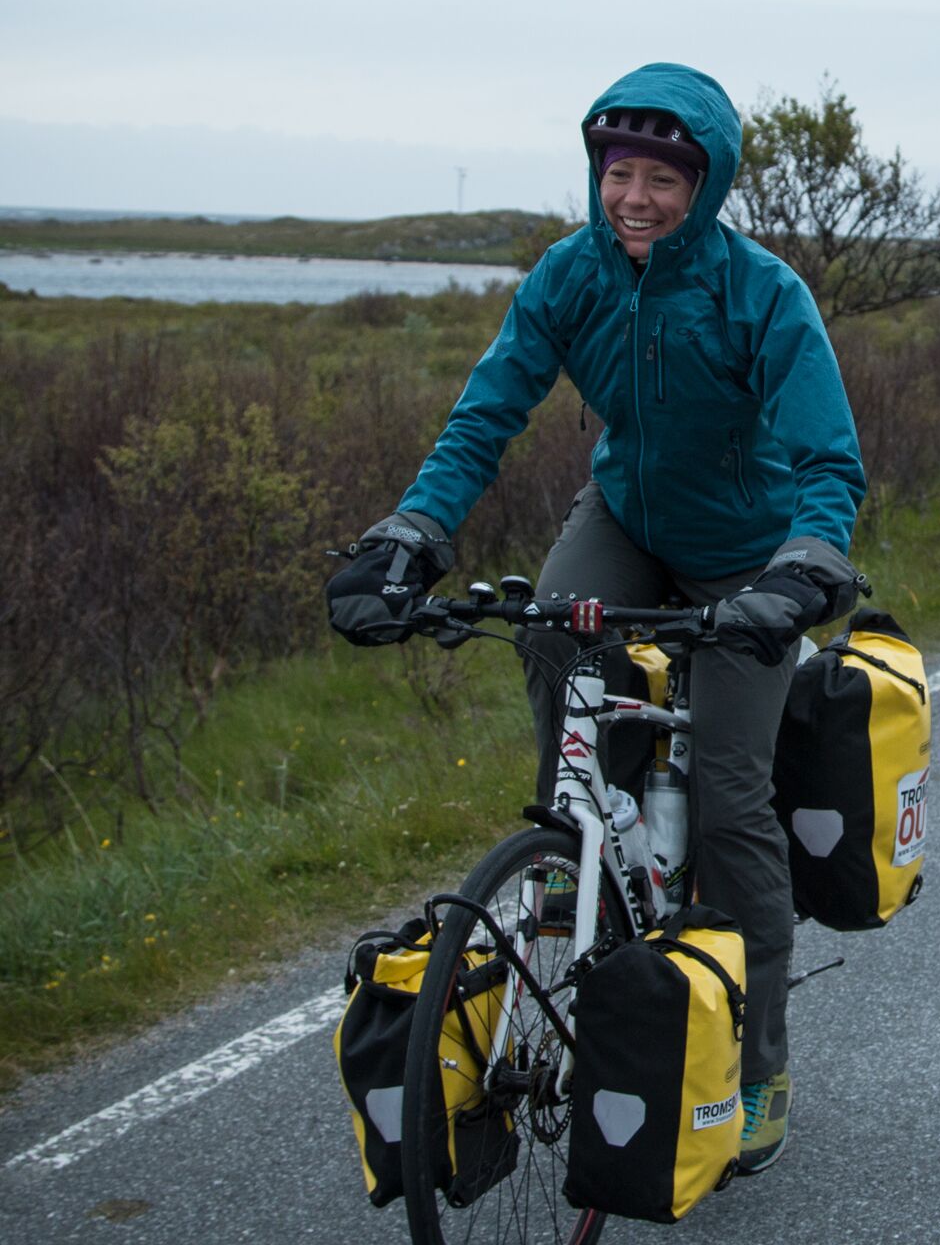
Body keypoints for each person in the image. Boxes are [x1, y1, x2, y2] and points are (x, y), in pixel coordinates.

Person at [324, 61, 867, 1176]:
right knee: (542, 624)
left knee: (727, 802)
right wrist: (411, 532)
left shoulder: (760, 293)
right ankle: (582, 830)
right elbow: (487, 413)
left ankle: (758, 1063)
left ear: (703, 186)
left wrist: (802, 566)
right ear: (595, 175)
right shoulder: (568, 275)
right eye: (619, 172)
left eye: (664, 179)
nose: (637, 197)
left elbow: (826, 459)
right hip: (625, 511)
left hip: (748, 554)